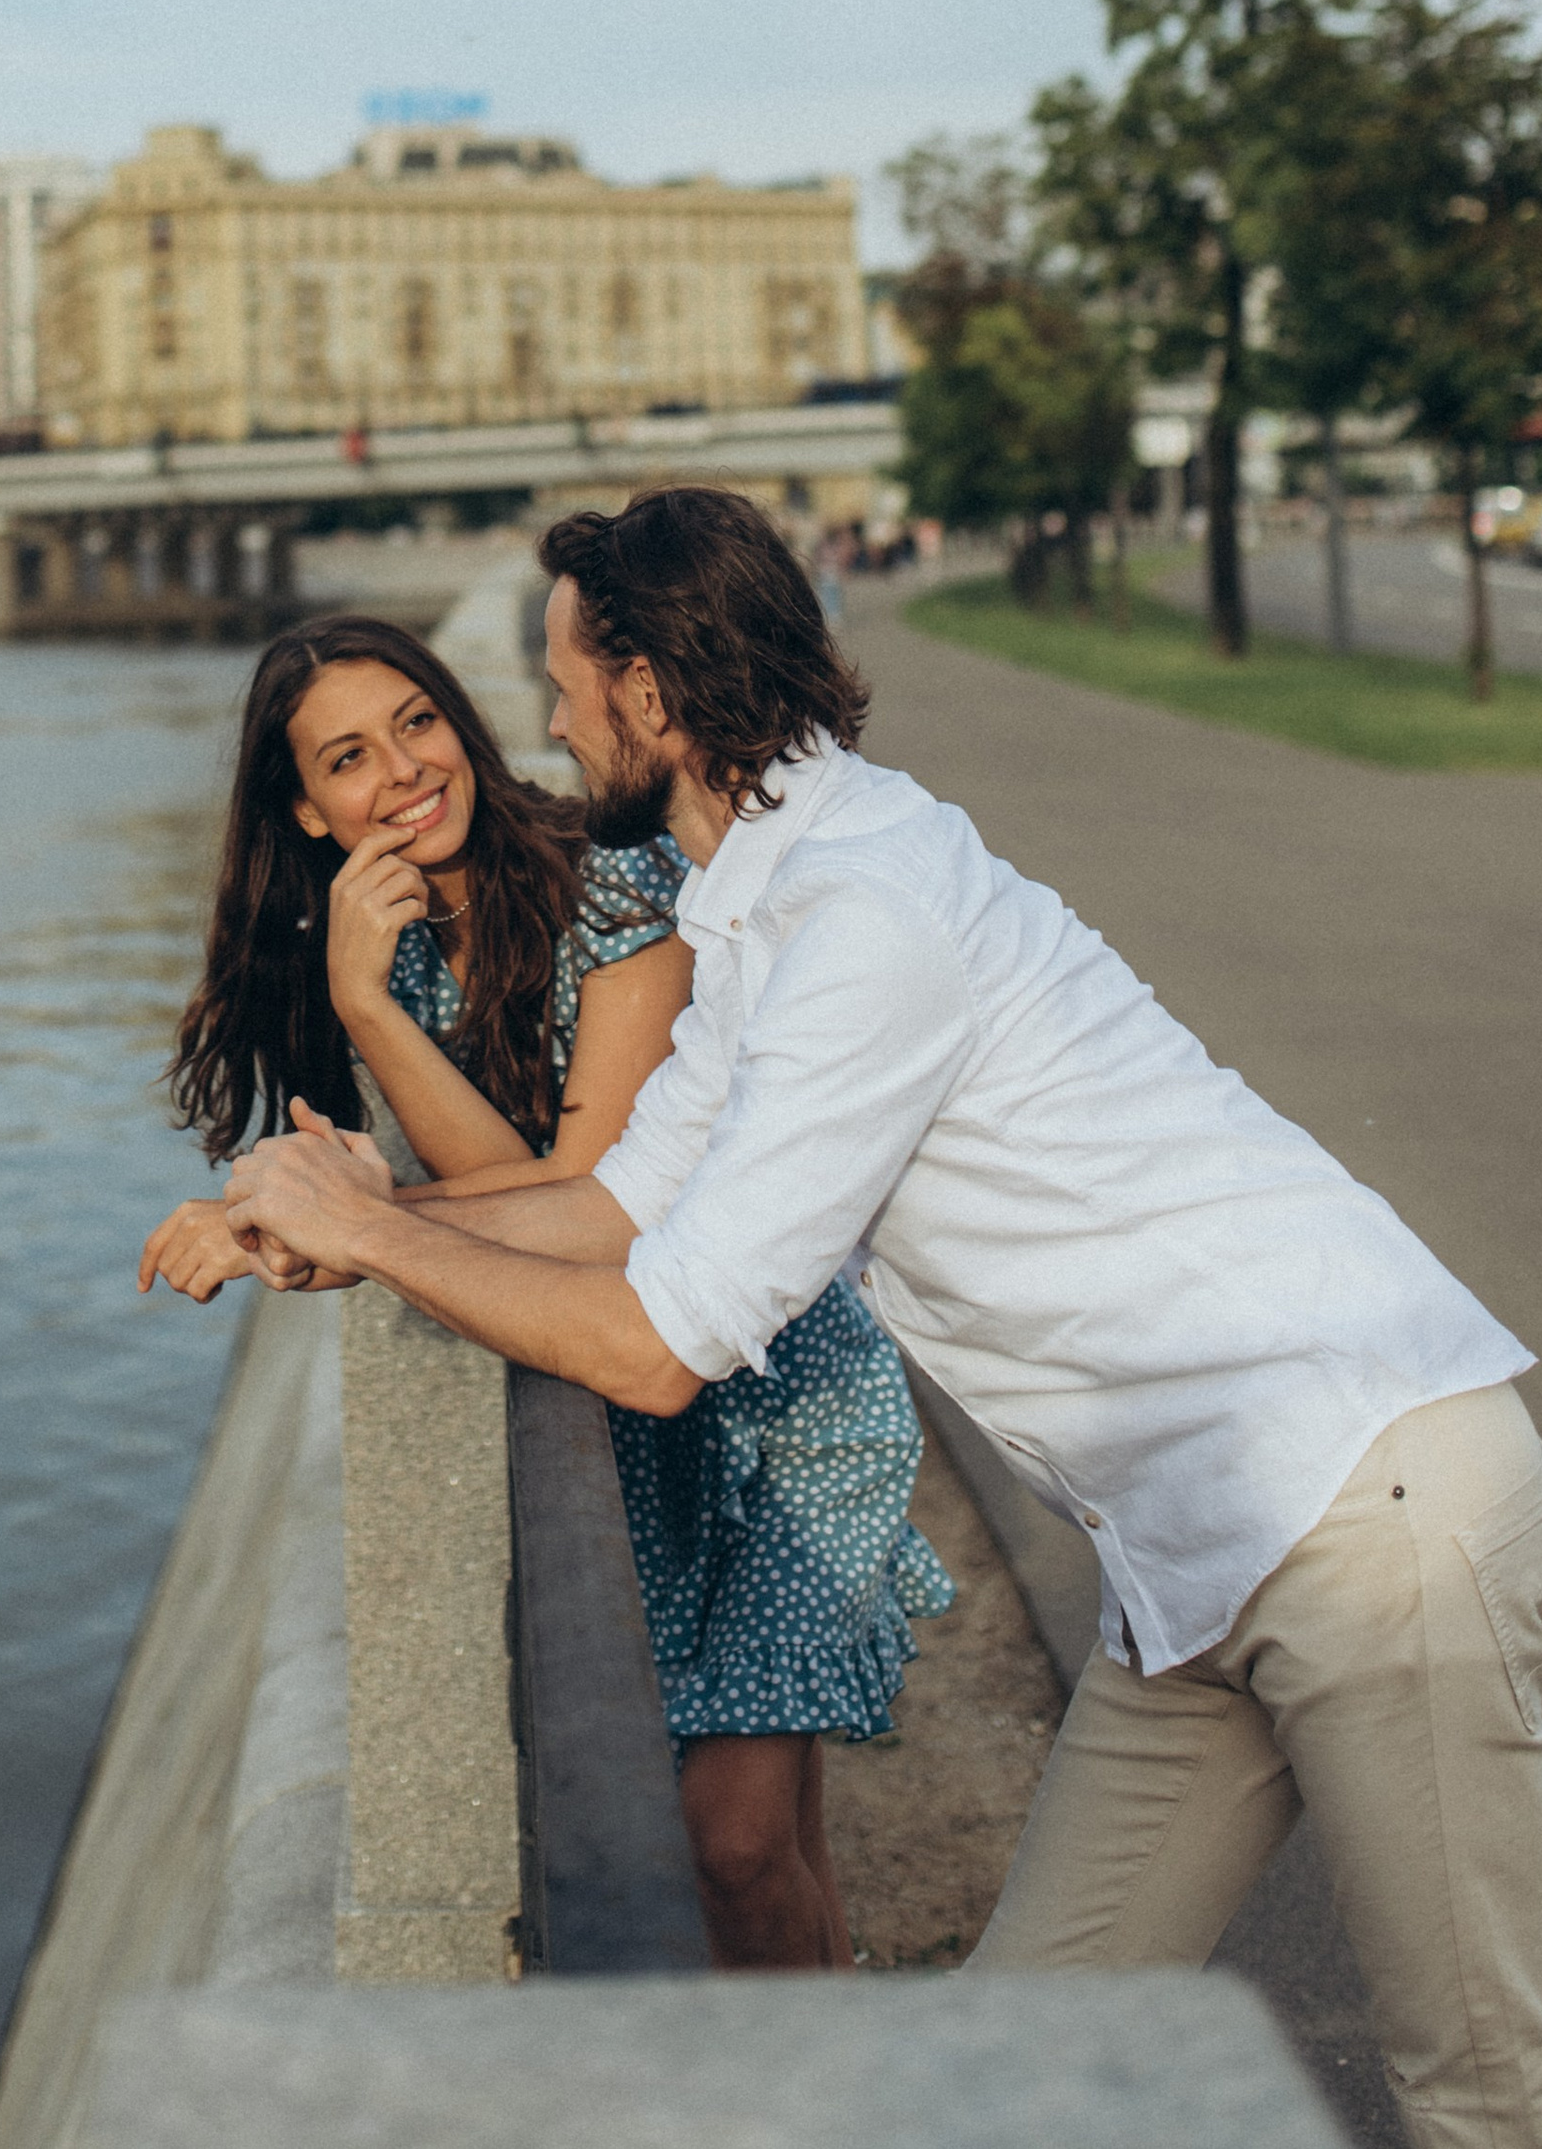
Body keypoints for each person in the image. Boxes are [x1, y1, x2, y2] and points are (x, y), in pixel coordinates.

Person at [227, 491, 1542, 2149]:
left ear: (651, 697)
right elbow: (610, 1205)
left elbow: (659, 1340)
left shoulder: (859, 918)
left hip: (1369, 1509)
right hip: (1200, 1558)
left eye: (566, 680)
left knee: (1490, 2097)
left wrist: (379, 1242)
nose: (548, 716)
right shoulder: (763, 907)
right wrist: (350, 1224)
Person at [139, 610, 952, 1969]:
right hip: (634, 1416)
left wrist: (359, 1103)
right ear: (310, 809)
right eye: (348, 758)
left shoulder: (614, 889)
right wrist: (349, 1048)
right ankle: (830, 2069)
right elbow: (454, 1202)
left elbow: (576, 1197)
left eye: (416, 722)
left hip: (776, 1398)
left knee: (735, 1839)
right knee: (769, 1851)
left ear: (462, 716)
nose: (402, 770)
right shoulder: (373, 938)